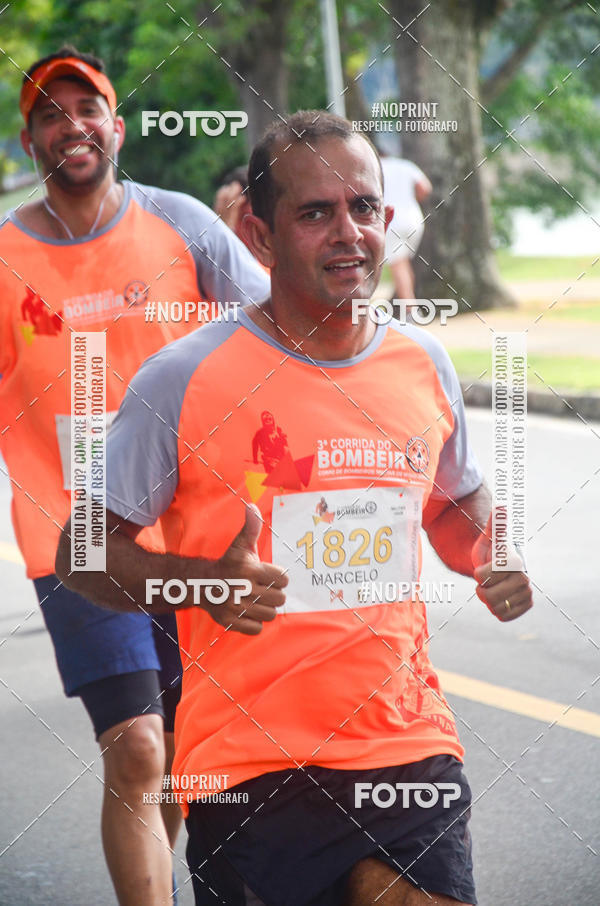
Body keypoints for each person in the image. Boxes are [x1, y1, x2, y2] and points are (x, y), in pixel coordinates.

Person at [57, 111, 533, 906]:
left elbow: (455, 503)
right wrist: (201, 583)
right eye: (315, 212)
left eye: (364, 208)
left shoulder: (423, 363)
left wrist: (493, 552)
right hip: (249, 761)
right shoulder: (186, 378)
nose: (349, 233)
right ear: (259, 231)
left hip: (404, 740)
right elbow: (83, 550)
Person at [1, 44, 268, 905]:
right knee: (140, 746)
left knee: (185, 748)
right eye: (48, 114)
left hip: (190, 539)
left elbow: (277, 325)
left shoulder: (183, 225)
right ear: (28, 141)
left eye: (86, 111)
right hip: (71, 538)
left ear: (116, 127)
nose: (69, 126)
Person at [380, 152, 432, 299]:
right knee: (403, 262)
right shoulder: (405, 164)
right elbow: (425, 188)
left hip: (391, 221)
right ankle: (409, 302)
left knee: (398, 265)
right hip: (413, 220)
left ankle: (410, 309)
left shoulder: (375, 166)